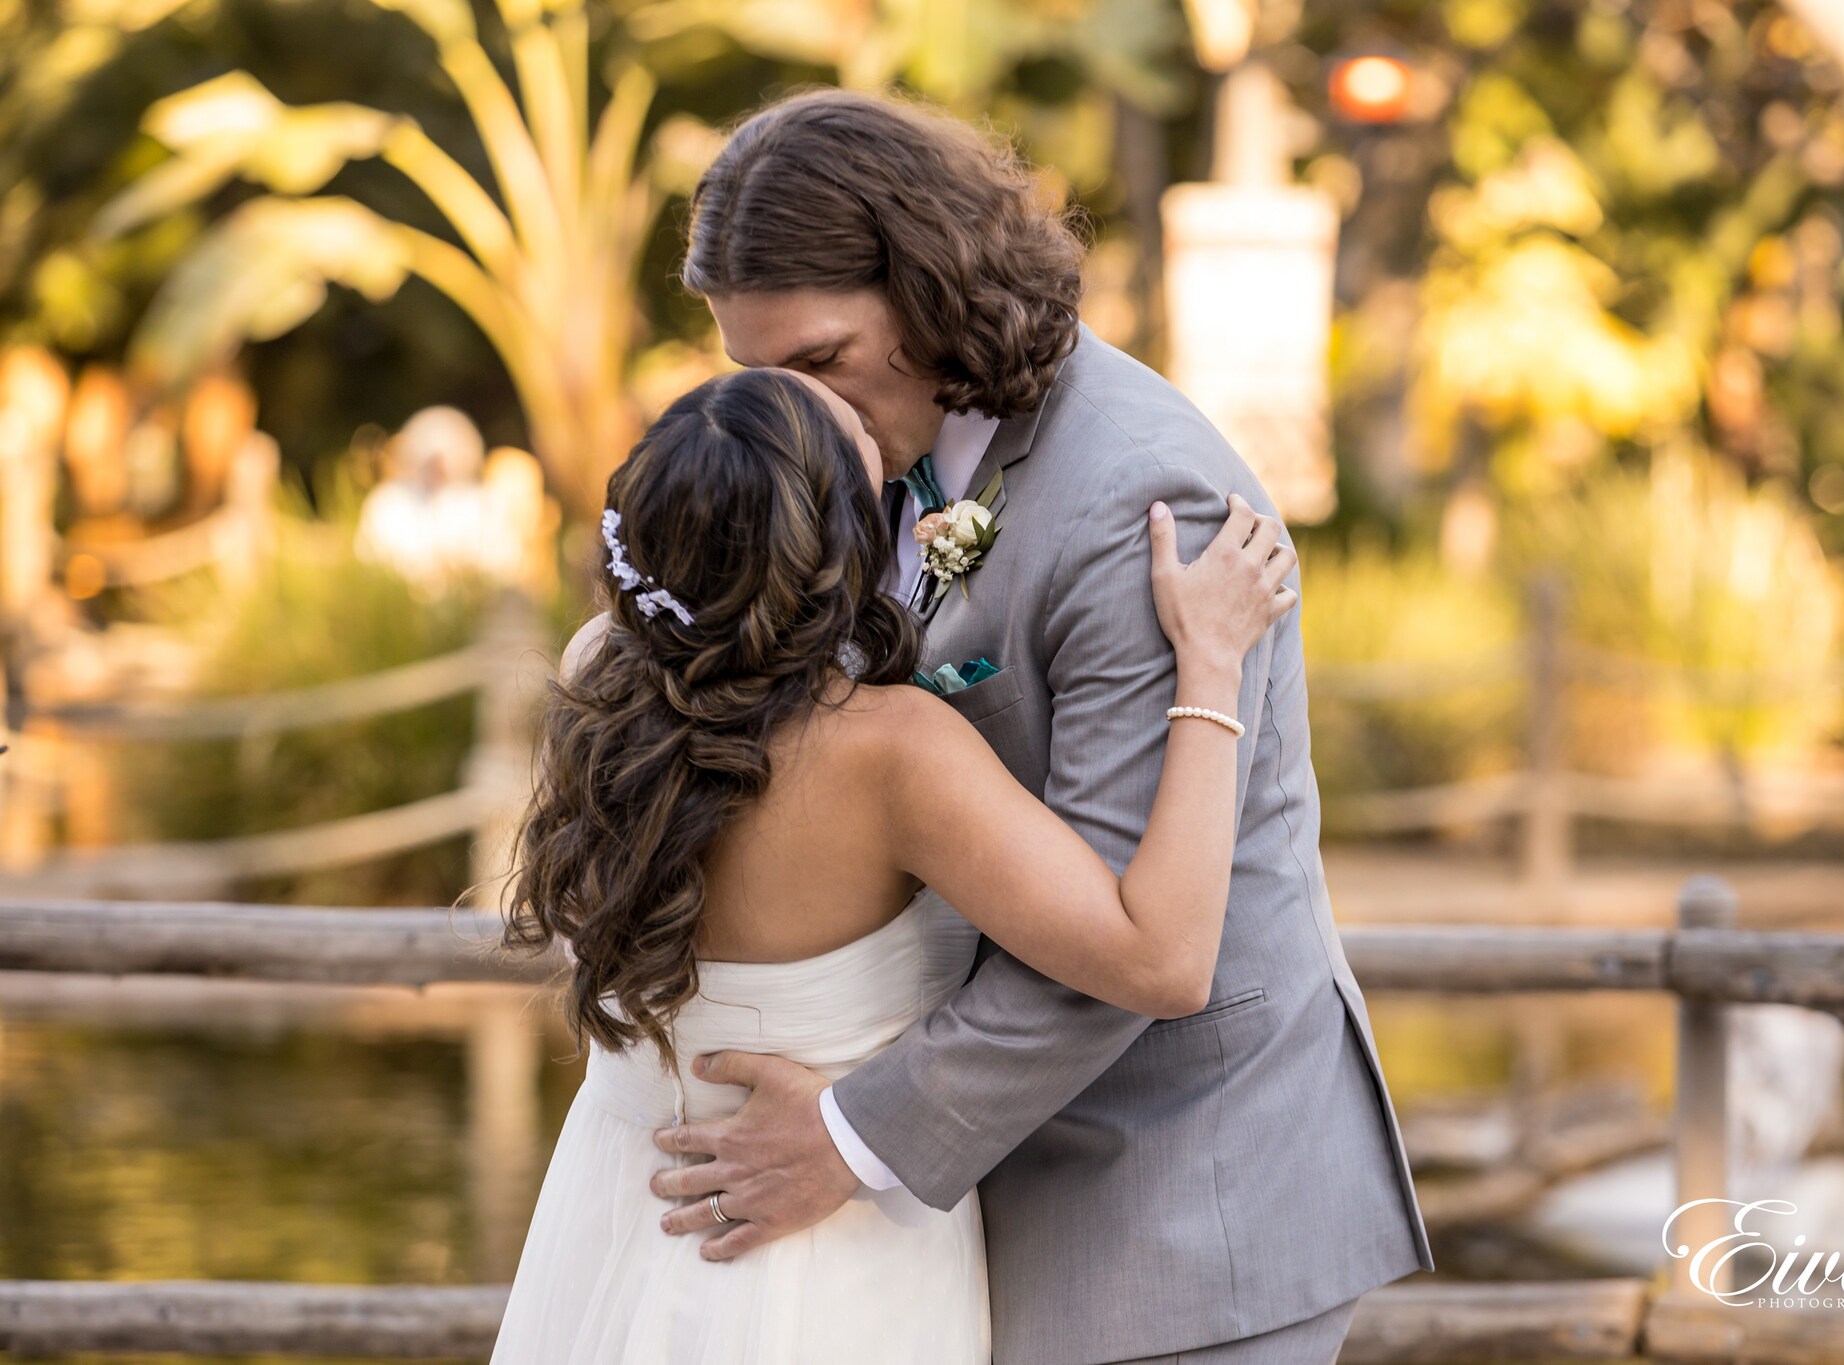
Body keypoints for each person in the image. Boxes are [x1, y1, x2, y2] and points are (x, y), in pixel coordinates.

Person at [637, 90, 1435, 1364]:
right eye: (760, 375)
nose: (802, 414)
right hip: (995, 1172)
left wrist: (849, 1136)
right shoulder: (869, 458)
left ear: (926, 287)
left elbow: (1132, 923)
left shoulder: (1137, 500)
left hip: (1173, 1186)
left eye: (821, 361)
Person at [491, 364, 1295, 1362]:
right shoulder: (888, 752)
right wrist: (1210, 667)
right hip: (828, 1261)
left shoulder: (593, 681)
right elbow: (1162, 958)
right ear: (834, 546)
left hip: (617, 1207)